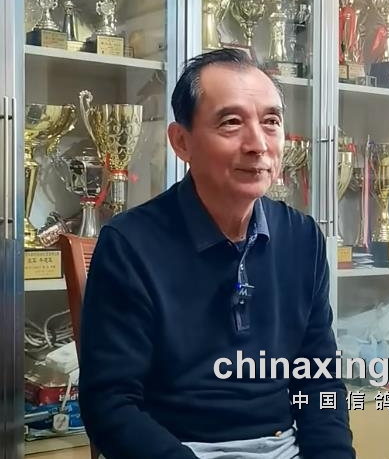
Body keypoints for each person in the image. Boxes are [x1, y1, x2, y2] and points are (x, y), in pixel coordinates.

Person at [79, 48, 356, 459]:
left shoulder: (303, 238)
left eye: (271, 122)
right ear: (182, 142)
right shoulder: (129, 244)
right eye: (231, 123)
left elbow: (319, 382)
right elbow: (110, 404)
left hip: (282, 446)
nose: (258, 144)